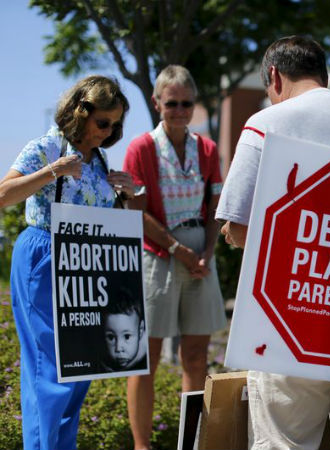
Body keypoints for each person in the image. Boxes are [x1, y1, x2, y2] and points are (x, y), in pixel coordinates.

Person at [217, 36, 330, 450]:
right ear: (323, 74)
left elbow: (240, 226)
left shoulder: (268, 122)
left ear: (274, 77)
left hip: (296, 317)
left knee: (285, 440)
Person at [0, 75, 133, 450]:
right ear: (80, 112)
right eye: (103, 122)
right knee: (48, 370)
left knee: (80, 368)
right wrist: (53, 171)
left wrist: (127, 192)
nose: (109, 132)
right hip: (44, 254)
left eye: (116, 124)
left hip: (88, 262)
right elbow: (3, 194)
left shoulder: (100, 160)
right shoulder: (45, 146)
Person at [123, 64, 226, 450]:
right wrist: (178, 250)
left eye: (187, 103)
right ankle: (141, 445)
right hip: (158, 255)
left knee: (196, 356)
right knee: (145, 359)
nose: (180, 110)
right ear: (156, 103)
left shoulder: (208, 148)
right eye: (172, 103)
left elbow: (216, 203)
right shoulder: (141, 148)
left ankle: (190, 442)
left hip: (200, 253)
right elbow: (137, 210)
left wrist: (209, 251)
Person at [101, 287, 147, 372]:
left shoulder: (149, 353)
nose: (118, 348)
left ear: (140, 331)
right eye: (111, 337)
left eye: (127, 336)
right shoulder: (100, 361)